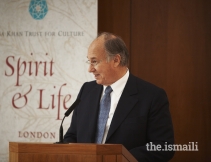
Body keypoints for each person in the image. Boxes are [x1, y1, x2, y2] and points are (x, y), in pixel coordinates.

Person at [64, 32, 175, 161]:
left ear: (116, 60)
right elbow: (72, 136)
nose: (90, 69)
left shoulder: (152, 96)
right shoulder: (87, 90)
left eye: (94, 61)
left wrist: (120, 158)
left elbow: (164, 146)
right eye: (89, 61)